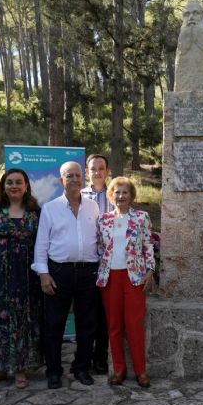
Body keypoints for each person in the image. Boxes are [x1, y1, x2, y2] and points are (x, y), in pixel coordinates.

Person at [32, 161, 101, 389]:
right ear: (61, 181)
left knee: (87, 324)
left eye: (77, 175)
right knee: (54, 324)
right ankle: (53, 371)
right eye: (69, 176)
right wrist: (43, 274)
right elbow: (41, 245)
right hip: (58, 272)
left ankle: (81, 367)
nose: (74, 179)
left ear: (83, 179)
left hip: (88, 273)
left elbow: (100, 240)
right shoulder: (50, 208)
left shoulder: (93, 207)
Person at [0, 168, 42, 389]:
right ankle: (0, 368)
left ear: (26, 186)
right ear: (4, 186)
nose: (14, 186)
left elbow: (44, 245)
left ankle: (20, 369)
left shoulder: (35, 212)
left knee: (24, 322)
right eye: (9, 182)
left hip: (28, 280)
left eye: (18, 182)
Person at [97, 177, 155, 388]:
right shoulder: (103, 220)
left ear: (131, 196)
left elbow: (148, 245)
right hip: (110, 278)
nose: (121, 196)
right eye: (117, 192)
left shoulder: (141, 217)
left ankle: (141, 372)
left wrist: (150, 270)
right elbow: (100, 249)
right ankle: (119, 370)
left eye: (125, 192)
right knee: (114, 326)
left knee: (134, 326)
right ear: (111, 195)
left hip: (134, 278)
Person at [81, 154, 112, 375]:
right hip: (86, 264)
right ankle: (83, 358)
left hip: (110, 265)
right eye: (93, 169)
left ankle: (100, 358)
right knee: (86, 314)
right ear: (87, 172)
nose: (97, 172)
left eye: (101, 168)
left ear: (107, 171)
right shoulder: (78, 196)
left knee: (103, 315)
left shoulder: (116, 193)